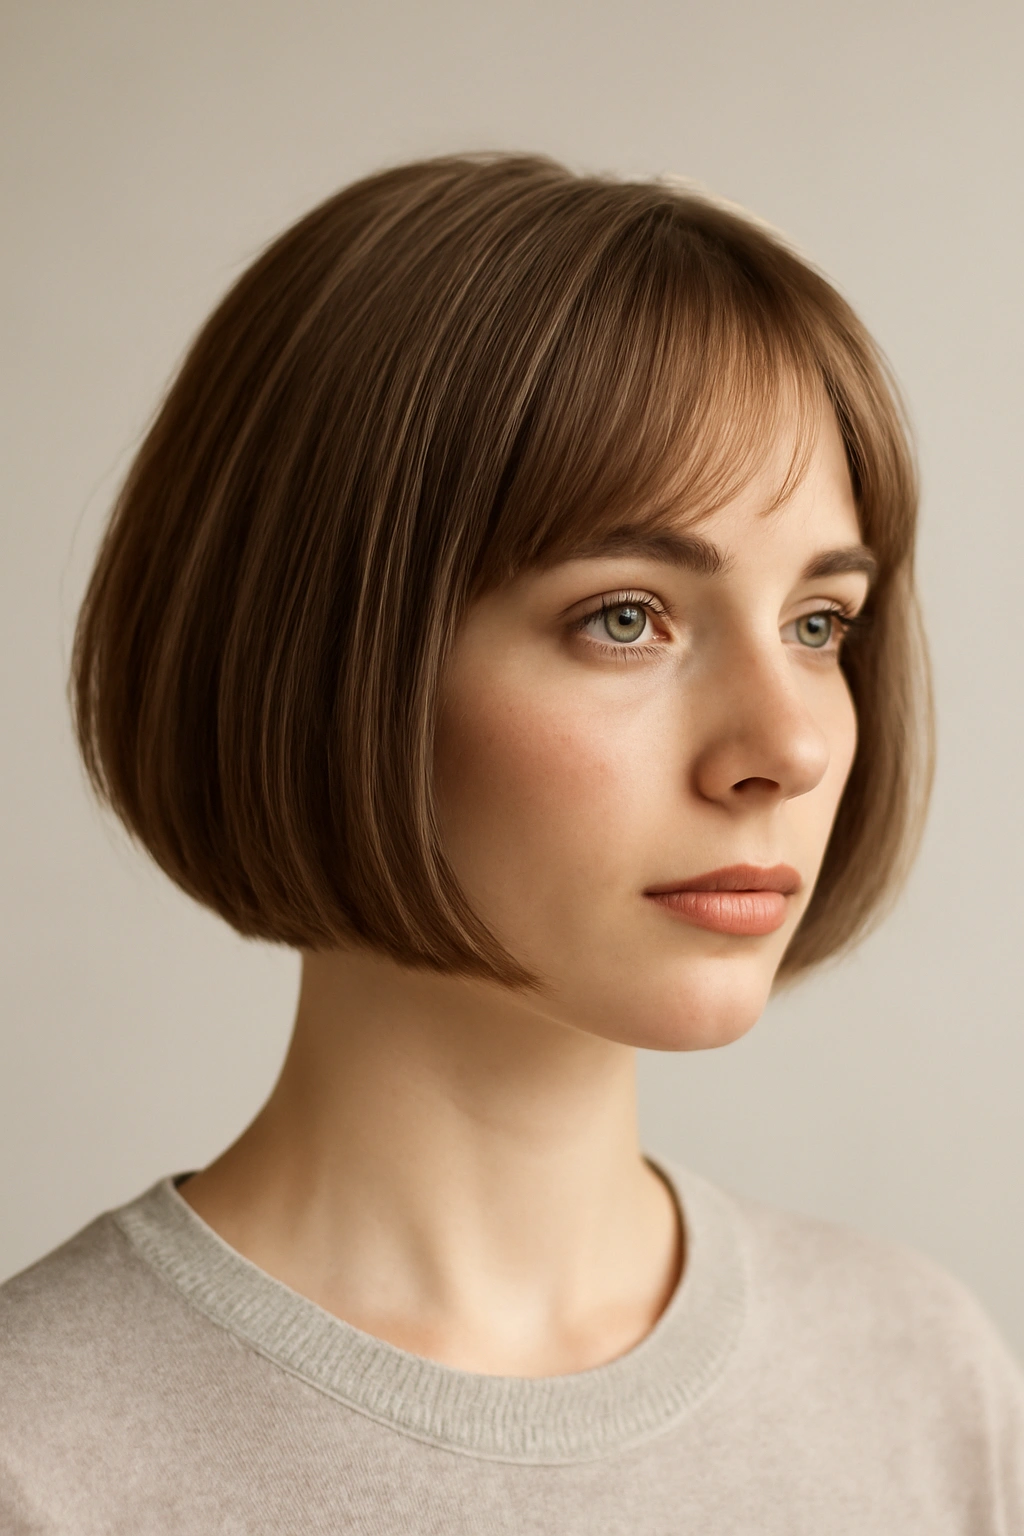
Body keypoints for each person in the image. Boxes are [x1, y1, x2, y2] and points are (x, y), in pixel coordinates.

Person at [1, 152, 1021, 1532]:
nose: (788, 747)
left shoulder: (923, 1381)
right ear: (323, 658)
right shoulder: (46, 1457)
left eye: (819, 624)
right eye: (626, 617)